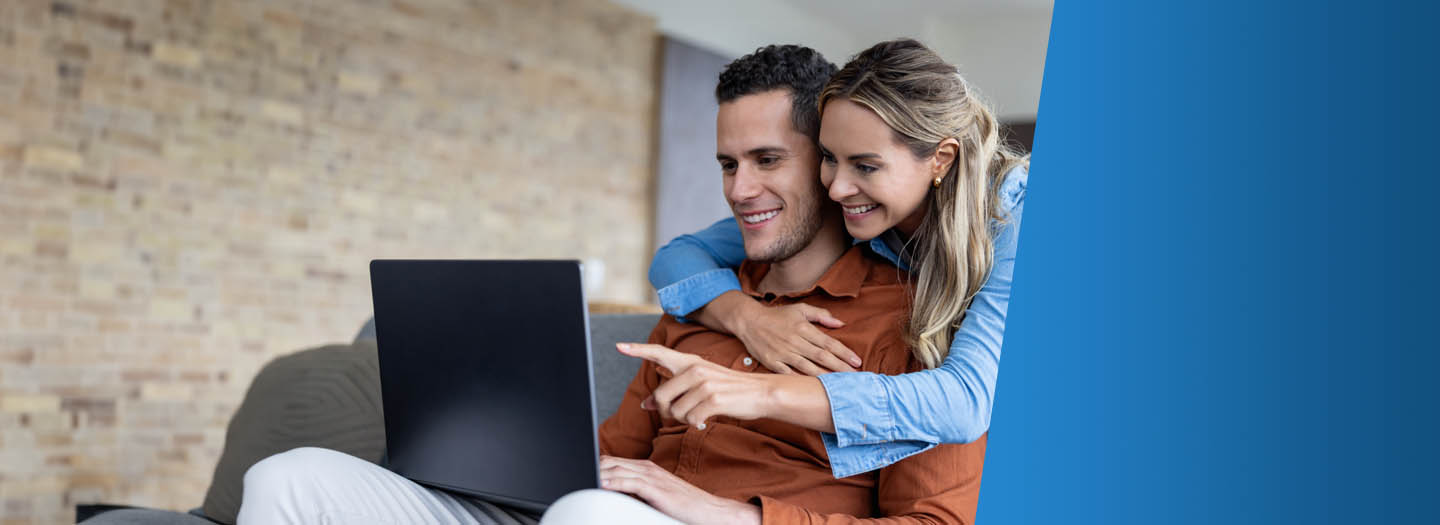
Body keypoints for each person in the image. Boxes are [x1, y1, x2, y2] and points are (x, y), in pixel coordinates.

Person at [563, 42, 987, 524]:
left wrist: (729, 514)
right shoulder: (701, 299)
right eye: (729, 164)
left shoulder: (912, 321)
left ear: (824, 159)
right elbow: (604, 462)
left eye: (767, 159)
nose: (739, 191)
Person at [641, 37, 1028, 478]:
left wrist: (761, 393)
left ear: (940, 159)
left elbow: (965, 404)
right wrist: (750, 320)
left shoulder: (1014, 219)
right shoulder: (854, 205)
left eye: (865, 166)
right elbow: (678, 256)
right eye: (828, 158)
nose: (837, 188)